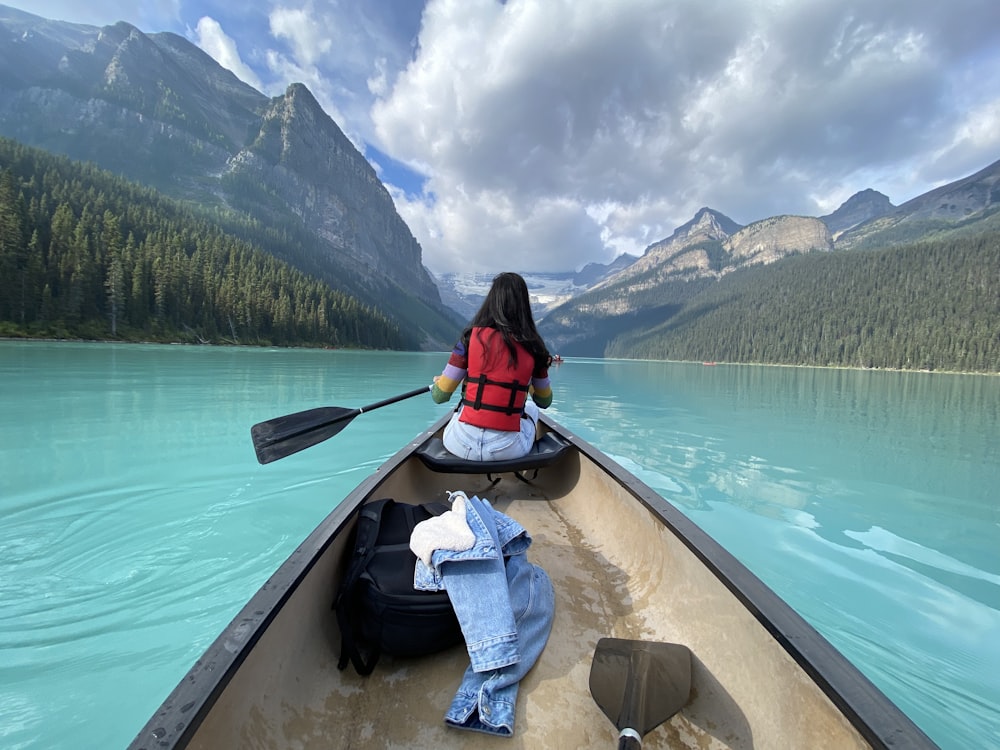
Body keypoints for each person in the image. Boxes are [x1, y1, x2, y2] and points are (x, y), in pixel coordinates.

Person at [431, 272, 553, 461]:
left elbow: (440, 396)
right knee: (532, 409)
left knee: (460, 410)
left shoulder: (469, 339)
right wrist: (524, 383)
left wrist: (440, 383)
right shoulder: (535, 347)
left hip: (461, 444)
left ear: (492, 301)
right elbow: (544, 401)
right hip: (508, 449)